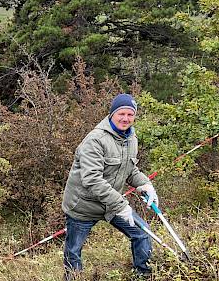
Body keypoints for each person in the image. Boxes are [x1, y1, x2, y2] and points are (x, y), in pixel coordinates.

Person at [61, 93, 159, 278]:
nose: (125, 118)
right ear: (112, 114)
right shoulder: (95, 140)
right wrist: (122, 206)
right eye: (121, 113)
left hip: (111, 205)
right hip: (83, 205)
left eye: (130, 115)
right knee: (73, 251)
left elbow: (130, 170)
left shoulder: (131, 138)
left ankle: (144, 275)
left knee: (142, 234)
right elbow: (92, 179)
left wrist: (145, 184)